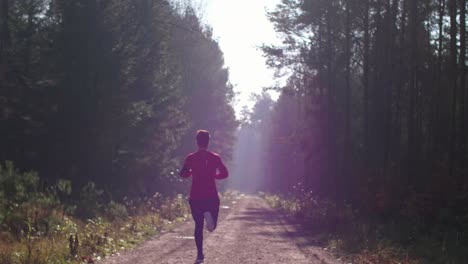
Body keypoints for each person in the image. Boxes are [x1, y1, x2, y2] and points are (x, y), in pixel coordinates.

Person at [179, 130, 229, 263]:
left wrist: (191, 172)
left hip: (195, 196)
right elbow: (225, 174)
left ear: (197, 142)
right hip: (211, 195)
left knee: (198, 226)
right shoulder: (215, 157)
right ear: (208, 142)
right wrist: (214, 175)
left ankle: (200, 255)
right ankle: (209, 213)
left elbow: (182, 174)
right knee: (212, 227)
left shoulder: (191, 157)